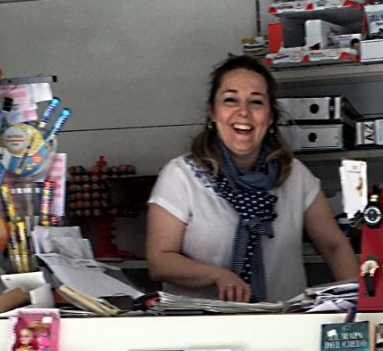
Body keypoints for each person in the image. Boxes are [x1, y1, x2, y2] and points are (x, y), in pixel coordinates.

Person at [147, 55, 358, 302]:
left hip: (282, 326)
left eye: (256, 102)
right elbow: (160, 260)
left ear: (269, 118)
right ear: (212, 114)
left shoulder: (293, 175)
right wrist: (216, 275)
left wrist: (360, 307)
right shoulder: (180, 177)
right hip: (204, 331)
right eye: (230, 100)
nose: (243, 112)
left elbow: (334, 246)